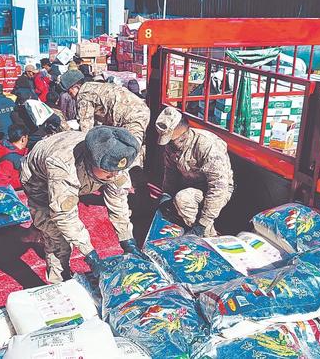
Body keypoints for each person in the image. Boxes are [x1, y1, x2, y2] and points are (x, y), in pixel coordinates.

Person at [20, 126, 142, 283]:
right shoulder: (62, 165)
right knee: (58, 237)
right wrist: (91, 255)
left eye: (116, 172)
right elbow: (64, 215)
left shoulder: (115, 161)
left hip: (76, 175)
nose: (113, 176)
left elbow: (118, 201)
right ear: (91, 161)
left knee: (61, 225)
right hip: (38, 181)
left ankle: (37, 229)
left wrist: (127, 241)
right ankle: (58, 282)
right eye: (108, 172)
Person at [154, 107, 234, 237]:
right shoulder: (172, 145)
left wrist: (203, 224)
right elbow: (170, 172)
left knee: (183, 199)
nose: (170, 145)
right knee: (171, 206)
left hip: (216, 190)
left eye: (172, 140)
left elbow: (219, 187)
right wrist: (166, 195)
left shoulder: (207, 145)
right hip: (191, 184)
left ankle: (209, 237)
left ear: (184, 133)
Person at [59, 69, 150, 159]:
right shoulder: (93, 86)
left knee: (129, 154)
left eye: (69, 91)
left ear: (76, 87)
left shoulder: (83, 95)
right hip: (140, 111)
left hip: (132, 117)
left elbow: (86, 129)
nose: (69, 95)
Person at [0, 125, 29, 190]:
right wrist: (23, 180)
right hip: (16, 192)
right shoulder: (8, 159)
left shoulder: (17, 151)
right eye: (27, 138)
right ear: (23, 139)